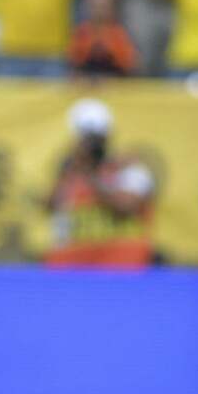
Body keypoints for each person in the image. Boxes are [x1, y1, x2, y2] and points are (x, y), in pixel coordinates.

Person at [45, 98, 157, 268]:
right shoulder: (71, 171)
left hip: (122, 272)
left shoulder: (131, 171)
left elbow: (126, 206)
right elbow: (51, 207)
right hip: (72, 273)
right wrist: (68, 173)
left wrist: (90, 176)